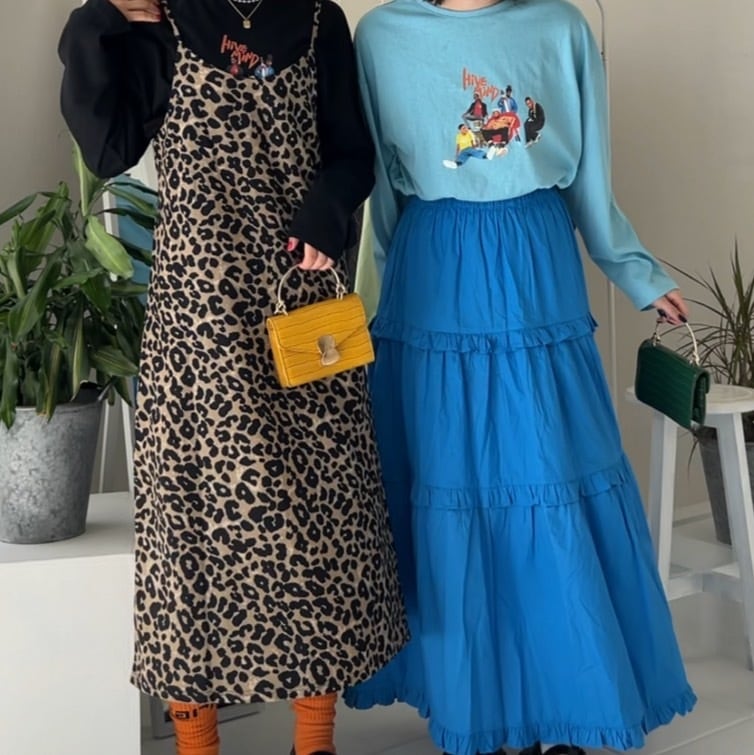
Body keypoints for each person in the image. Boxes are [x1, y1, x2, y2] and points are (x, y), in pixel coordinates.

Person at [345, 1, 696, 755]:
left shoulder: (561, 27)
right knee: (453, 486)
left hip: (535, 271)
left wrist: (637, 272)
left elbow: (590, 179)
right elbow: (378, 196)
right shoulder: (381, 35)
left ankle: (568, 705)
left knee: (550, 477)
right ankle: (475, 709)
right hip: (432, 279)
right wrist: (365, 317)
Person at [58, 2, 409, 755]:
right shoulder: (159, 18)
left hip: (301, 302)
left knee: (320, 513)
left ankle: (314, 738)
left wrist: (325, 212)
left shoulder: (317, 19)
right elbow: (108, 148)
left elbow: (353, 153)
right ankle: (198, 743)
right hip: (198, 319)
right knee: (190, 525)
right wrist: (97, 21)